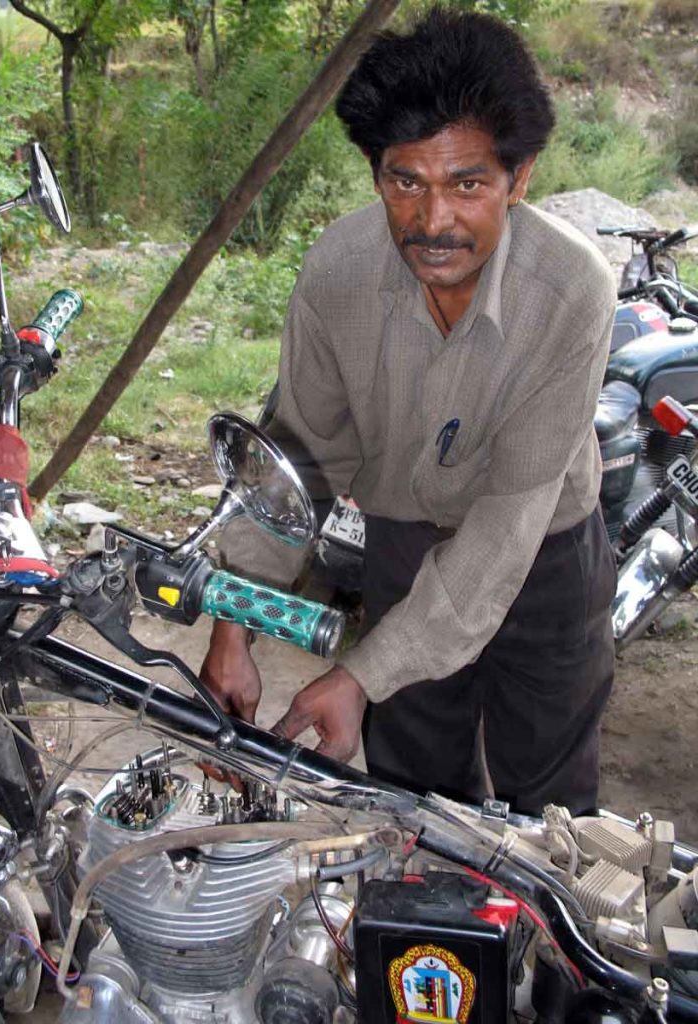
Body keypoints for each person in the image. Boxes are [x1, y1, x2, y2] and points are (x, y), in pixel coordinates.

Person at [200, 7, 617, 817]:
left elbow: (505, 527)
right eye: (406, 182)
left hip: (544, 555)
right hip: (400, 544)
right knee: (415, 806)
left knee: (550, 816)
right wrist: (230, 623)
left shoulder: (572, 293)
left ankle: (545, 942)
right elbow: (299, 456)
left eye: (468, 185)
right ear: (374, 173)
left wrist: (360, 673)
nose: (433, 222)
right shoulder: (338, 273)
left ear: (519, 178)